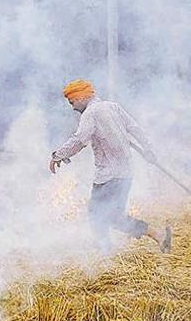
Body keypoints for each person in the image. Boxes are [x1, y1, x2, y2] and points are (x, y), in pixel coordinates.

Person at [49, 79, 172, 252]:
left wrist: (58, 155)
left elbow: (80, 140)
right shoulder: (112, 107)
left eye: (72, 102)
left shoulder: (90, 114)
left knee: (98, 216)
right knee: (111, 217)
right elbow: (135, 128)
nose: (73, 107)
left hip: (108, 176)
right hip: (125, 174)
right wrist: (148, 150)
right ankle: (157, 236)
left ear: (81, 97)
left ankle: (106, 253)